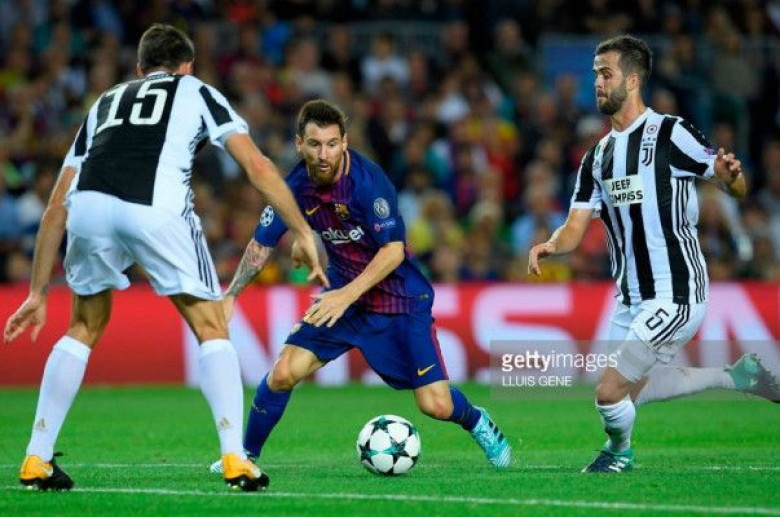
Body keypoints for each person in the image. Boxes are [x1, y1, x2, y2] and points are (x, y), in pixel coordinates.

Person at [3, 24, 325, 492]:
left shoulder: (106, 101)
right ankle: (235, 458)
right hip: (155, 209)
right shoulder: (197, 90)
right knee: (211, 325)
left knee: (83, 326)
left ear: (140, 69)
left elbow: (56, 204)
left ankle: (36, 457)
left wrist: (37, 291)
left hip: (88, 208)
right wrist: (301, 228)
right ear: (187, 66)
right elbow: (256, 165)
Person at [209, 99, 511, 474]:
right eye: (315, 144)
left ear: (345, 142)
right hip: (344, 299)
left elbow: (394, 251)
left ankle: (477, 419)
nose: (324, 154)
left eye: (332, 144)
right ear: (299, 144)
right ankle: (243, 455)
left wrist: (345, 295)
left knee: (435, 405)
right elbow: (261, 243)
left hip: (398, 301)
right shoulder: (294, 187)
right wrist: (231, 296)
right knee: (284, 372)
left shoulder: (368, 184)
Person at [528, 35, 779, 474]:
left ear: (633, 79)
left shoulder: (671, 133)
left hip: (676, 291)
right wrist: (551, 244)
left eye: (606, 74)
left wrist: (730, 176)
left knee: (609, 393)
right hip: (630, 299)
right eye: (595, 75)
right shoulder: (597, 158)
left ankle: (618, 454)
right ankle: (735, 376)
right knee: (633, 390)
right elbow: (574, 228)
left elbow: (732, 184)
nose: (597, 83)